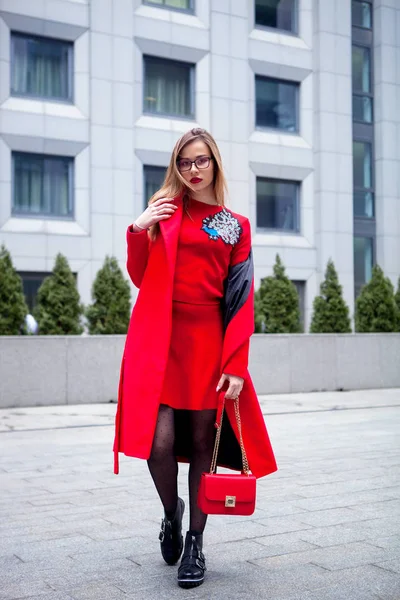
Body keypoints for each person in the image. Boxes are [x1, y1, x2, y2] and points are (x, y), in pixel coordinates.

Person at [113, 128, 277, 589]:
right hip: (161, 342)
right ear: (176, 166)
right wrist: (139, 227)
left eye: (201, 160)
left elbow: (241, 300)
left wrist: (236, 365)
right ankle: (171, 513)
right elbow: (141, 275)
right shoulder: (165, 212)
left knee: (204, 446)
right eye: (184, 162)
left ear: (215, 163)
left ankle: (196, 544)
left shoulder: (236, 225)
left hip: (209, 343)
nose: (193, 169)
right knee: (158, 444)